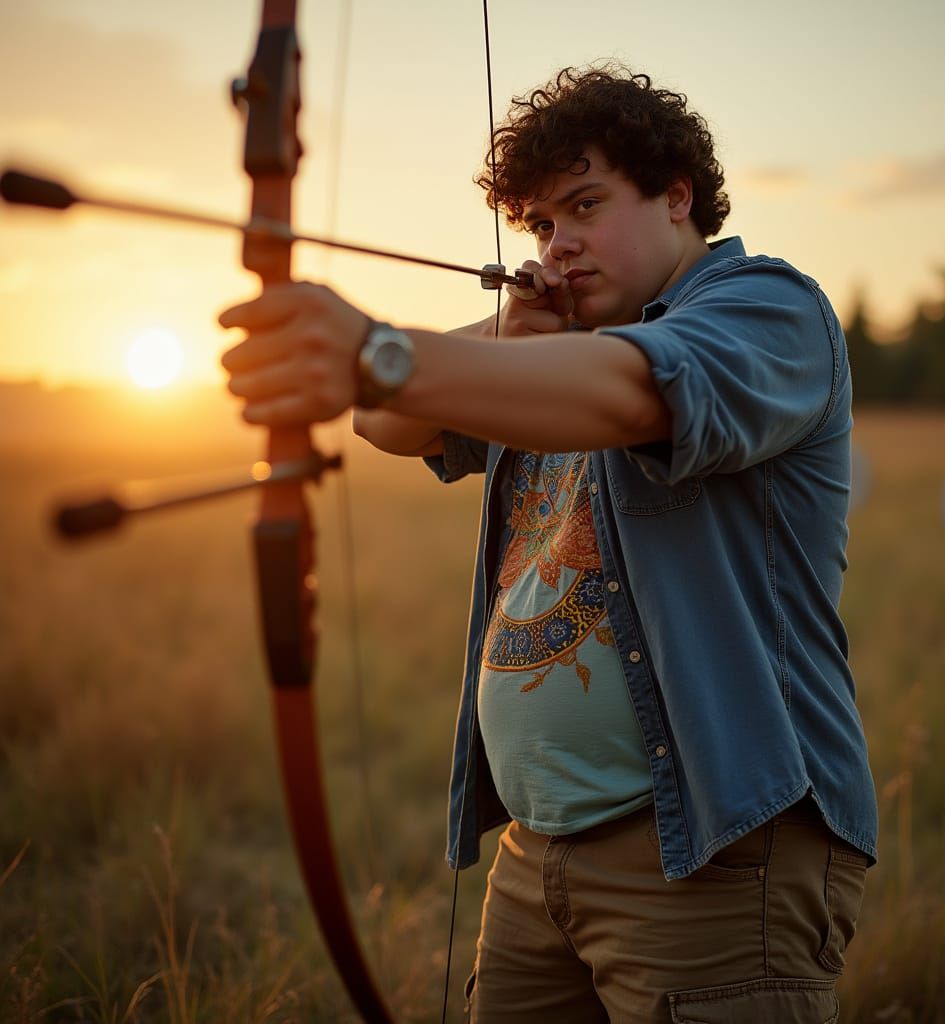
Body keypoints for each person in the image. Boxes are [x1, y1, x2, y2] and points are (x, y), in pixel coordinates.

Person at [220, 65, 877, 1023]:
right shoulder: (549, 354)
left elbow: (635, 392)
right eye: (538, 223)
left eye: (585, 204)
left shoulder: (769, 309)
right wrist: (504, 328)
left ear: (676, 196)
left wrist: (377, 352)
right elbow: (385, 424)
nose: (557, 242)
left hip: (716, 850)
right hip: (537, 857)